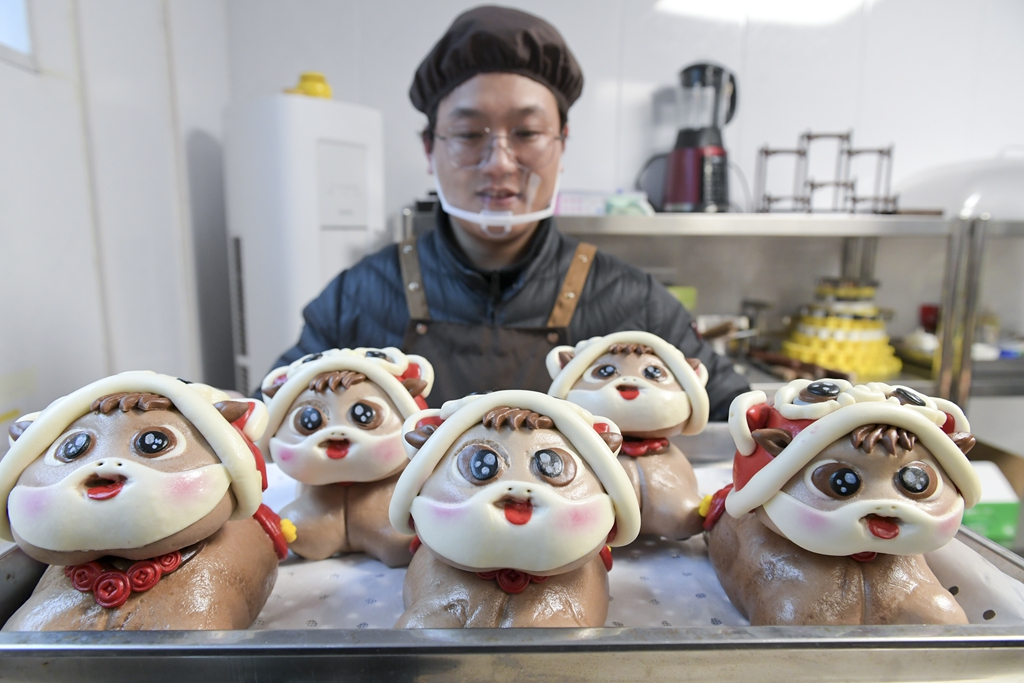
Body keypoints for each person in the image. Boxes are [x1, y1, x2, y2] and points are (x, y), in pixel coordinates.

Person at [270, 5, 749, 419]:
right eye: (469, 133)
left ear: (562, 142)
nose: (499, 162)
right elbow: (268, 420)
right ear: (428, 147)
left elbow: (736, 419)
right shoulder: (356, 300)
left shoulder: (633, 304)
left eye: (526, 133)